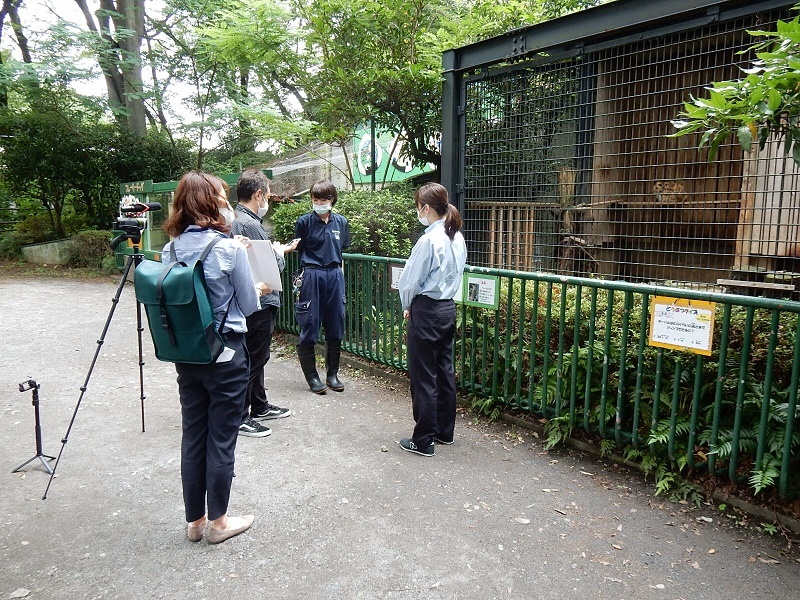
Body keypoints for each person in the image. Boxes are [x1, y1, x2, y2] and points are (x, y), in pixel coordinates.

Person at [162, 170, 267, 543]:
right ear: (212, 202)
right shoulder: (228, 248)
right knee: (221, 438)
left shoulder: (169, 250)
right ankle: (219, 524)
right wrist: (258, 285)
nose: (226, 201)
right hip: (226, 356)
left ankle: (195, 522)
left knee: (194, 435)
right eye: (222, 195)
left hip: (187, 355)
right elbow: (250, 304)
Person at [397, 182, 467, 457]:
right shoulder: (456, 236)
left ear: (425, 208)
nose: (418, 212)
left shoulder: (428, 240)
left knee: (424, 376)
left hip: (426, 311)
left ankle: (423, 439)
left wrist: (408, 306)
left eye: (418, 208)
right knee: (444, 372)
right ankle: (443, 431)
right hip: (447, 308)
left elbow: (409, 281)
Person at [231, 169, 297, 438]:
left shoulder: (235, 218)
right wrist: (280, 253)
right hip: (259, 298)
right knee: (255, 358)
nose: (267, 200)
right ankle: (241, 415)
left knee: (254, 356)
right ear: (258, 195)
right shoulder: (250, 224)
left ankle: (259, 405)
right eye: (267, 195)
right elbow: (267, 265)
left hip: (247, 297)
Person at [293, 179, 350, 394]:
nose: (319, 203)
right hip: (312, 273)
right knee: (310, 324)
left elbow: (343, 247)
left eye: (323, 199)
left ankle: (332, 374)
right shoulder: (304, 222)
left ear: (332, 200)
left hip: (335, 274)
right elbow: (300, 249)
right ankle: (313, 378)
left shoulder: (341, 222)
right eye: (315, 199)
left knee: (336, 324)